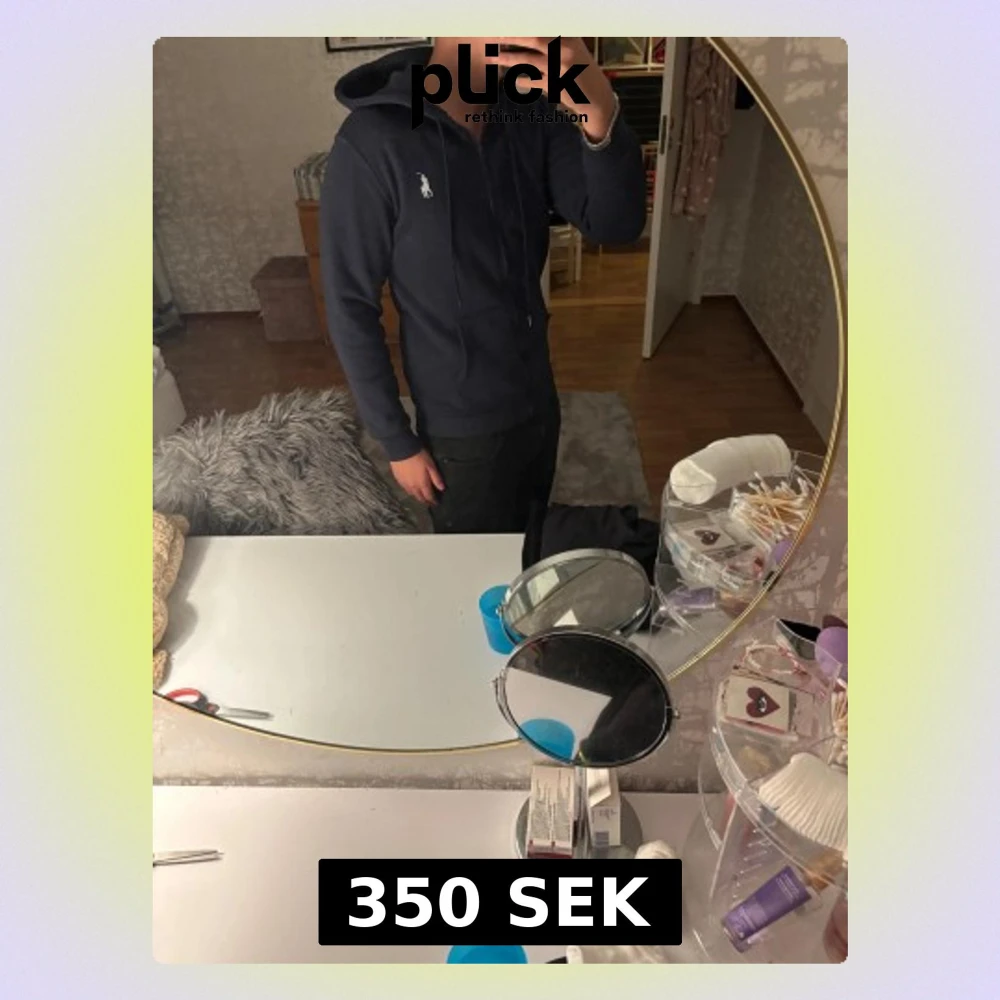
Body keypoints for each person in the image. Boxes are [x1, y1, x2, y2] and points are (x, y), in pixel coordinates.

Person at [321, 37, 646, 533]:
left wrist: (600, 111)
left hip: (538, 401)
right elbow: (349, 303)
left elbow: (614, 226)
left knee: (528, 547)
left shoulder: (531, 113)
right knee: (474, 566)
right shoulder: (374, 138)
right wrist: (396, 440)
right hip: (458, 426)